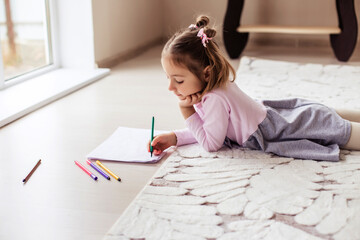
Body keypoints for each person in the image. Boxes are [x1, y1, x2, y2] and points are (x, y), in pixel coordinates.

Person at [148, 15, 360, 161]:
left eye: (178, 80)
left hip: (277, 129)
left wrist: (187, 111)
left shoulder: (213, 99)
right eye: (168, 78)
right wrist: (175, 137)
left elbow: (212, 143)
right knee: (323, 116)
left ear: (206, 72)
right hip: (273, 118)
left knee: (337, 130)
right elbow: (213, 129)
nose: (170, 87)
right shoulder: (215, 83)